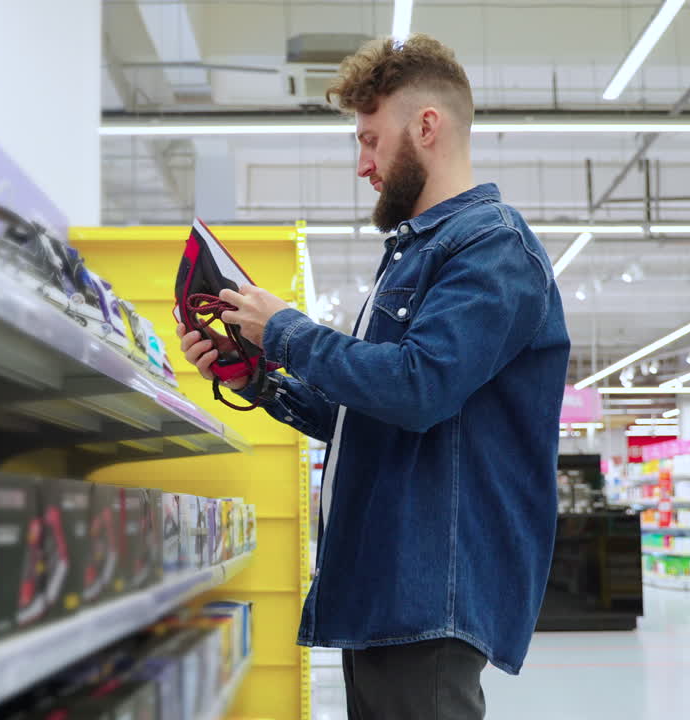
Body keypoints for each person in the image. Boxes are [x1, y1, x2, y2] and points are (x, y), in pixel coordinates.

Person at [177, 33, 570, 720]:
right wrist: (260, 378)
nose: (362, 164)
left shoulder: (491, 248)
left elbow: (419, 387)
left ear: (427, 126)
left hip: (429, 592)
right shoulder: (416, 257)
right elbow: (370, 412)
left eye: (369, 140)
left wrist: (288, 330)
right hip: (386, 586)